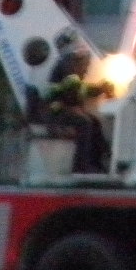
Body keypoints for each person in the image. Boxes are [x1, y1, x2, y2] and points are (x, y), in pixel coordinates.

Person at [44, 37, 112, 174]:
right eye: (86, 65)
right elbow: (73, 93)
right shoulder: (70, 72)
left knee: (95, 122)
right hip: (57, 112)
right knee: (85, 123)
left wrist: (101, 88)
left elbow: (81, 89)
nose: (87, 69)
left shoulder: (69, 68)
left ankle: (97, 161)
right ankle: (80, 166)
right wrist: (101, 89)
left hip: (62, 109)